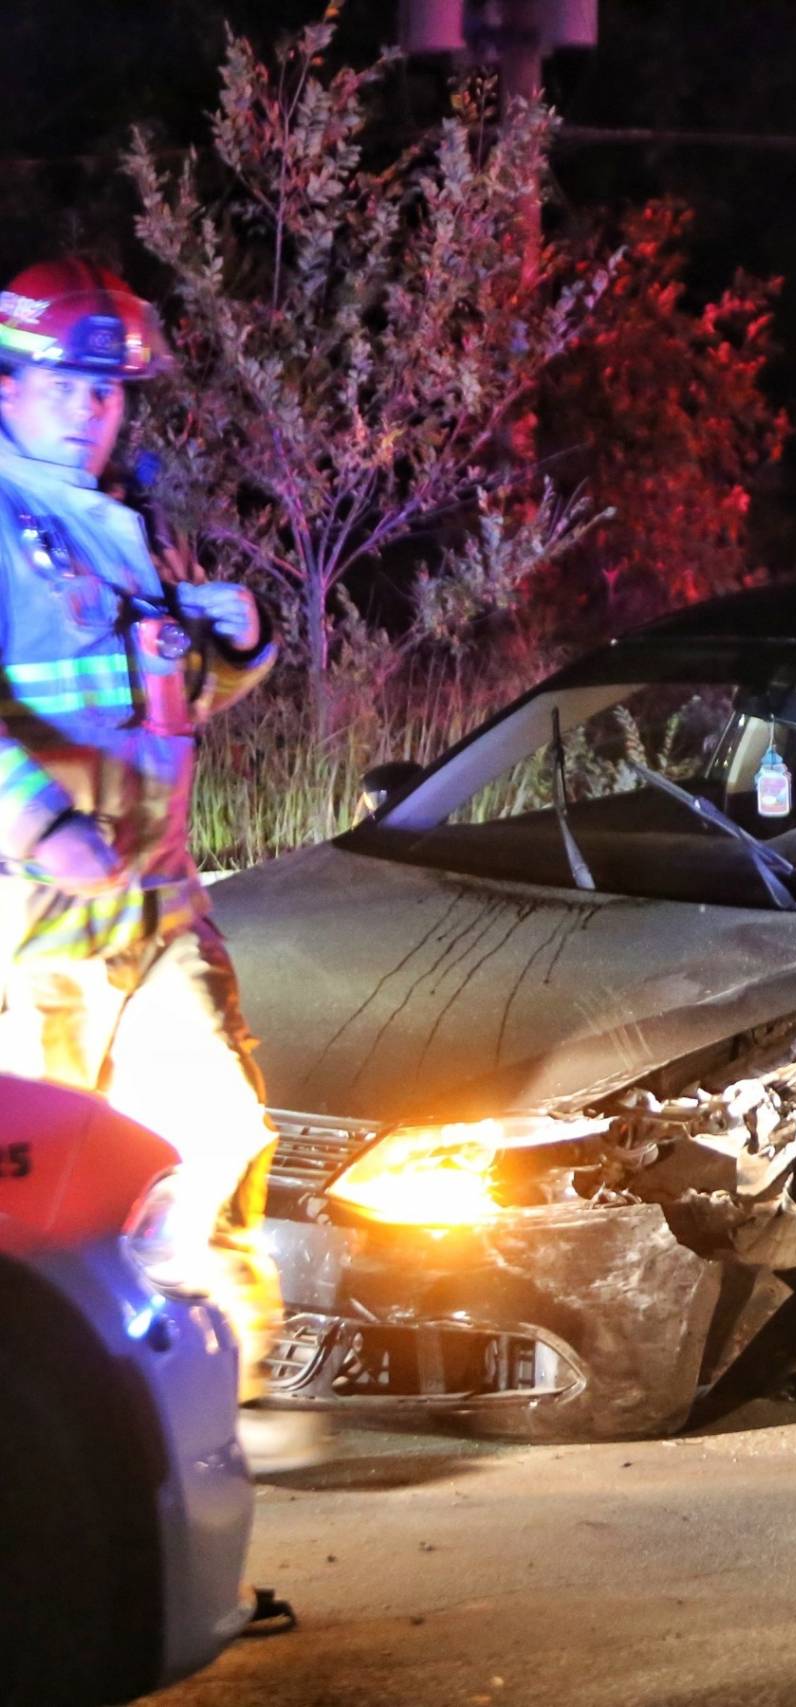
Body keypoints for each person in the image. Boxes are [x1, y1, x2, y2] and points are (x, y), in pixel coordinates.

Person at [0, 261, 313, 1464]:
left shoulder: (128, 526)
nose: (91, 406)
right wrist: (35, 827)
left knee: (217, 1131)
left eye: (110, 388)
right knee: (52, 1189)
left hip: (156, 906)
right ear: (12, 383)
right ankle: (72, 1434)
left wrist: (243, 647)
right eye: (65, 383)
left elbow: (166, 707)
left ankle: (176, 1392)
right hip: (35, 926)